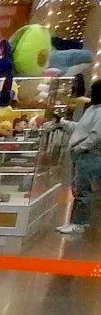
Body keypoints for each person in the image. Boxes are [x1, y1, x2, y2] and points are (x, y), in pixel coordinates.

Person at [58, 85, 101, 234]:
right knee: (78, 189)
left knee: (84, 190)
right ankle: (76, 221)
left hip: (89, 155)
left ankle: (80, 223)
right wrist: (63, 122)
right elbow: (81, 128)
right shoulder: (92, 109)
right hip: (81, 154)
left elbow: (96, 135)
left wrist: (81, 148)